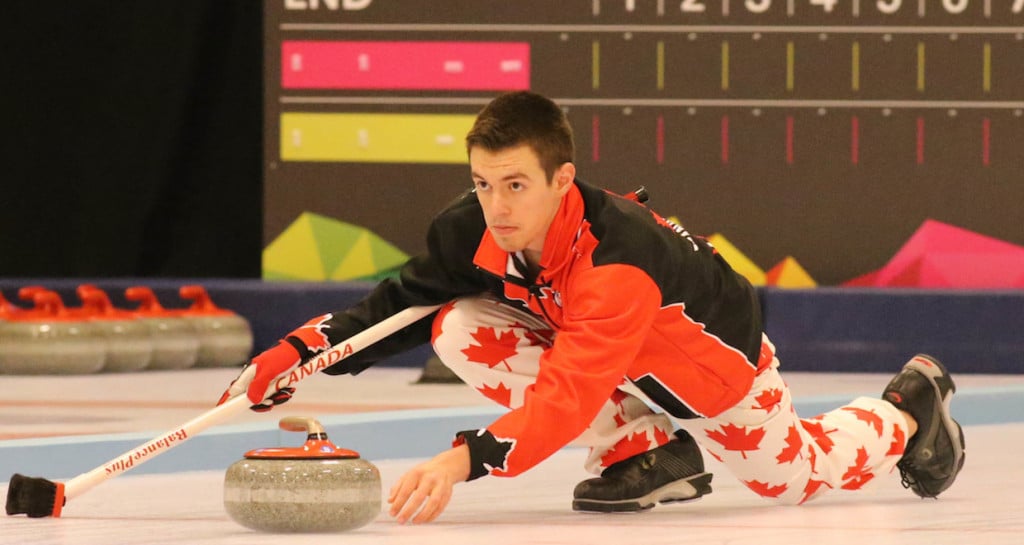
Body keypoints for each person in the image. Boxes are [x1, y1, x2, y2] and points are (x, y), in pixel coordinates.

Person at [219, 91, 965, 524]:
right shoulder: (471, 225)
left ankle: (908, 405)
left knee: (796, 475)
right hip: (588, 341)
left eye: (515, 185)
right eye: (482, 183)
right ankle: (649, 450)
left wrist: (462, 458)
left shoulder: (618, 265)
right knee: (457, 324)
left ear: (562, 177)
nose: (496, 205)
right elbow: (400, 308)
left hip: (702, 362)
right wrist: (293, 357)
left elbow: (564, 399)